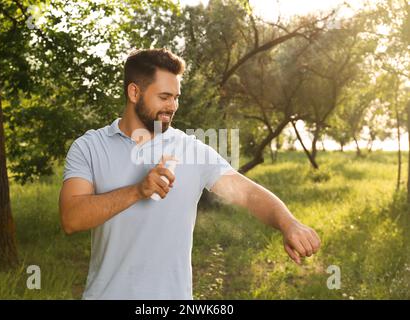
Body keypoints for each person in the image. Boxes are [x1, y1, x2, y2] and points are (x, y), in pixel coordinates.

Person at [59, 48, 321, 300]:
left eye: (176, 97)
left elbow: (247, 193)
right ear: (134, 92)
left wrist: (288, 223)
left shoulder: (191, 149)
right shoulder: (90, 147)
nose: (173, 106)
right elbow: (71, 218)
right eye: (164, 97)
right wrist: (138, 190)